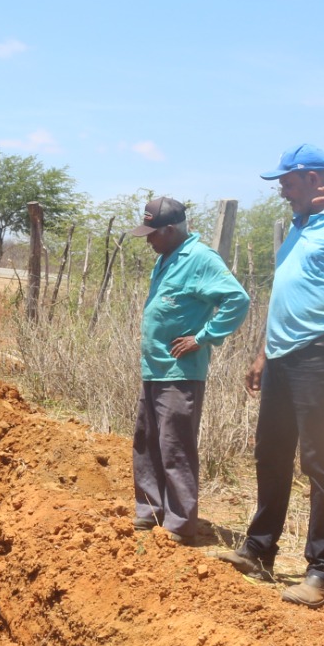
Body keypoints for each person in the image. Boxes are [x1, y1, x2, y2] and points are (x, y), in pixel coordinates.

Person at [217, 144, 324, 606]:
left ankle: (320, 570)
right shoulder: (298, 227)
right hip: (280, 358)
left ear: (314, 180)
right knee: (271, 455)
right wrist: (262, 354)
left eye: (288, 183)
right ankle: (259, 550)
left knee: (320, 462)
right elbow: (286, 299)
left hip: (320, 358)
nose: (282, 191)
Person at [129, 197, 250, 542]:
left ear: (170, 229)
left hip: (180, 373)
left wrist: (203, 337)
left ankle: (180, 525)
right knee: (147, 442)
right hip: (155, 368)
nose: (148, 240)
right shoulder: (167, 257)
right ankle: (149, 511)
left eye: (152, 234)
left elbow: (237, 300)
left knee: (174, 446)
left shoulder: (199, 259)